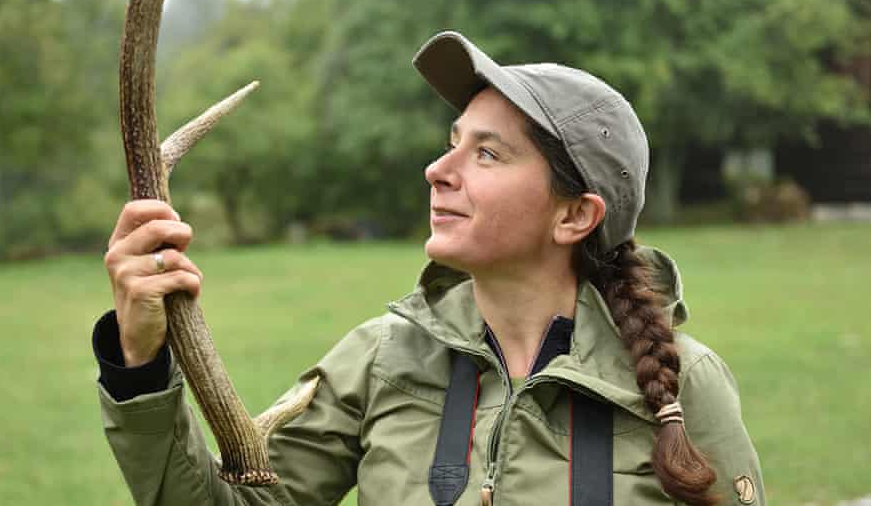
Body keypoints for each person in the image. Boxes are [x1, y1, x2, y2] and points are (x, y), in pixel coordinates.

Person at [93, 31, 765, 506]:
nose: (436, 172)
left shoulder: (683, 386)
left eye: (488, 155)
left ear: (574, 216)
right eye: (452, 144)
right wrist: (141, 362)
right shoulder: (382, 359)